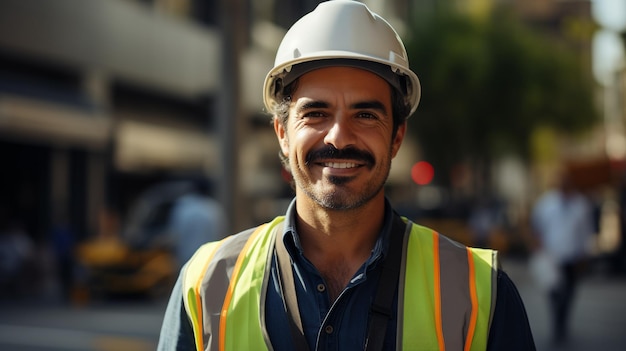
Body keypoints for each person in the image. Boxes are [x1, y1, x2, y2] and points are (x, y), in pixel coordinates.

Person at [158, 1, 535, 350]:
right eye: (316, 113)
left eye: (366, 115)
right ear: (284, 134)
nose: (339, 137)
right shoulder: (206, 285)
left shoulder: (481, 292)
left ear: (396, 137)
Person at [531, 171, 594, 345]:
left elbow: (586, 231)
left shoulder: (581, 204)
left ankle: (562, 323)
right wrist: (539, 250)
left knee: (569, 294)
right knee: (554, 294)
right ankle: (557, 325)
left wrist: (585, 254)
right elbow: (536, 228)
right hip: (552, 258)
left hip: (572, 257)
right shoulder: (546, 204)